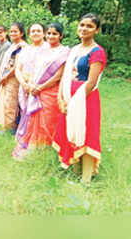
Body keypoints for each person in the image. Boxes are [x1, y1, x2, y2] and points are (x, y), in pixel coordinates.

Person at [53, 14, 107, 184]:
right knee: (71, 132)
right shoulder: (74, 50)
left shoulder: (97, 52)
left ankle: (86, 180)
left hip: (85, 99)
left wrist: (75, 103)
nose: (84, 29)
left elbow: (91, 82)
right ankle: (75, 171)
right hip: (68, 95)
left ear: (96, 30)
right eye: (82, 25)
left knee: (87, 134)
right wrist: (61, 98)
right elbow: (65, 76)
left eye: (89, 26)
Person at [11, 23, 64, 160]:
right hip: (30, 87)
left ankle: (46, 149)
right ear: (29, 34)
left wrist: (37, 87)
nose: (35, 33)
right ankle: (31, 143)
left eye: (39, 31)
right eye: (33, 31)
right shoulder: (28, 50)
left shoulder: (55, 50)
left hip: (46, 90)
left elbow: (57, 74)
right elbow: (21, 68)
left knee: (47, 120)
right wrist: (26, 84)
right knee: (30, 116)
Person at [0, 22, 28, 131]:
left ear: (21, 33)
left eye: (15, 31)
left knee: (11, 104)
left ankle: (11, 128)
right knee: (5, 103)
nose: (12, 33)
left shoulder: (22, 46)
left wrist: (6, 77)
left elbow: (17, 65)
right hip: (6, 78)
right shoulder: (13, 45)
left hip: (13, 79)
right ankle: (4, 126)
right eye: (11, 31)